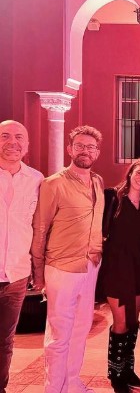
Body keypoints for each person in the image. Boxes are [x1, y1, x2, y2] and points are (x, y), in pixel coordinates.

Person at [31, 125, 104, 393]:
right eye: (80, 146)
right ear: (70, 149)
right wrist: (39, 272)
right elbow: (40, 228)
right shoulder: (54, 183)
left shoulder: (97, 181)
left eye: (91, 147)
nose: (86, 151)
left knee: (81, 329)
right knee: (59, 335)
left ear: (97, 152)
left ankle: (72, 383)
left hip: (91, 264)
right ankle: (53, 388)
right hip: (61, 267)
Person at [102, 158, 140, 393]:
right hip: (116, 269)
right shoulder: (113, 198)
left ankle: (127, 369)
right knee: (121, 322)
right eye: (139, 173)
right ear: (130, 172)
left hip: (139, 270)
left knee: (133, 322)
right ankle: (115, 374)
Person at [0, 120, 43, 393]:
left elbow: (38, 227)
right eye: (5, 136)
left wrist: (38, 271)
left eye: (18, 137)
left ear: (26, 145)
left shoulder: (36, 180)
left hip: (16, 275)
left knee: (5, 341)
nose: (12, 142)